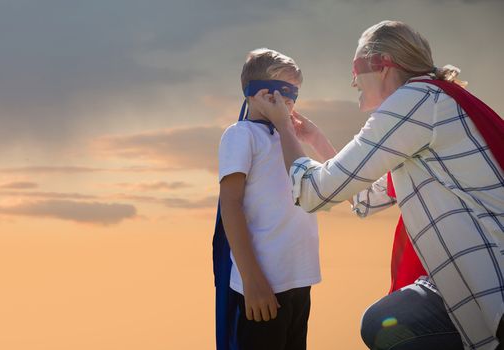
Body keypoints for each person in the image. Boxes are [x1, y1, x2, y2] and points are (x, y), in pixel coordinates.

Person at [248, 20, 504, 350]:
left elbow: (314, 192)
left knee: (390, 325)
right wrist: (315, 139)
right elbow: (366, 200)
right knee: (384, 319)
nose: (353, 80)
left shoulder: (413, 101)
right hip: (471, 281)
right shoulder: (429, 105)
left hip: (494, 283)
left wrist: (282, 126)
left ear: (382, 65)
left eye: (357, 68)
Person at [215, 48, 328, 350]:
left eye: (293, 94)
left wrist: (310, 136)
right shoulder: (241, 135)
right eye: (279, 92)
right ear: (254, 93)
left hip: (298, 279)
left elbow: (321, 183)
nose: (288, 101)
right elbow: (230, 205)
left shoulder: (286, 139)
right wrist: (252, 281)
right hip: (264, 284)